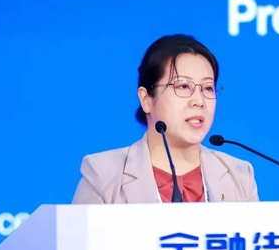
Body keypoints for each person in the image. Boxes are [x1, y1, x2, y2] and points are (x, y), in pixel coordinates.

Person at [72, 34, 259, 204]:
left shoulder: (240, 175)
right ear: (146, 99)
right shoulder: (104, 175)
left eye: (208, 88)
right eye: (183, 86)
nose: (199, 101)